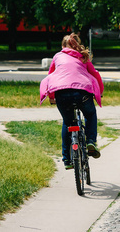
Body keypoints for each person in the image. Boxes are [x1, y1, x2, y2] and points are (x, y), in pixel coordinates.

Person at [40, 33, 104, 170]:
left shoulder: (57, 56)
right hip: (82, 93)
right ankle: (91, 141)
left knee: (68, 122)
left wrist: (52, 96)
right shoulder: (83, 56)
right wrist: (100, 92)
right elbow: (95, 74)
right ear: (77, 44)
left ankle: (67, 159)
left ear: (63, 46)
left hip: (61, 94)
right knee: (90, 114)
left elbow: (52, 76)